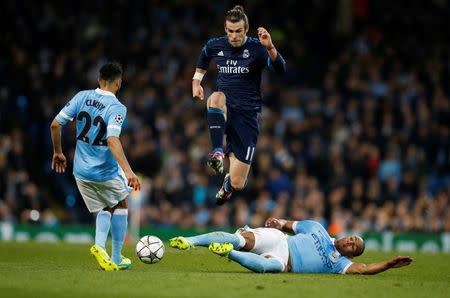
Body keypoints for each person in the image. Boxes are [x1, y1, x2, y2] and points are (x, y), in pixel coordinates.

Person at [50, 61, 141, 271]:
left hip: (81, 171)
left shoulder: (81, 96)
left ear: (99, 80)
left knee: (104, 207)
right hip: (105, 171)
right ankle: (116, 257)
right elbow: (112, 140)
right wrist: (128, 171)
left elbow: (55, 124)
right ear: (119, 83)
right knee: (121, 204)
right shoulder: (117, 107)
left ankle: (100, 247)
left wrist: (58, 152)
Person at [192, 5, 286, 205]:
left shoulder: (257, 48)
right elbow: (204, 56)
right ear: (225, 30)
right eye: (230, 31)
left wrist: (270, 47)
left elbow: (281, 70)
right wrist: (196, 82)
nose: (234, 36)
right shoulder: (215, 45)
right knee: (216, 97)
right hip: (224, 108)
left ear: (246, 29)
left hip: (247, 115)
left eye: (238, 31)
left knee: (238, 182)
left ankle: (227, 185)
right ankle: (217, 151)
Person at [169, 217, 413, 274]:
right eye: (352, 238)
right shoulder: (317, 227)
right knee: (242, 238)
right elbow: (290, 225)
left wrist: (388, 265)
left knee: (270, 267)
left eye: (354, 246)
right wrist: (278, 221)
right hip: (279, 240)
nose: (350, 242)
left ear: (351, 253)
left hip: (284, 261)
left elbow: (364, 269)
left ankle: (228, 253)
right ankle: (189, 241)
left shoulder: (340, 264)